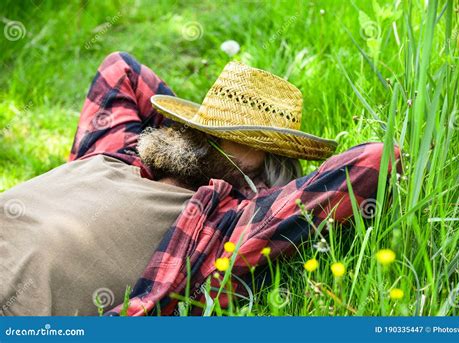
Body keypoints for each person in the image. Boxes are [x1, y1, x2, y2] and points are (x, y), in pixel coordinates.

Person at [0, 52, 400, 316]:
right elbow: (119, 69)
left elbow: (377, 161)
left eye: (230, 135)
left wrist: (264, 194)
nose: (197, 132)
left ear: (258, 178)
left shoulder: (223, 226)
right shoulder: (124, 152)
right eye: (199, 124)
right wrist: (190, 134)